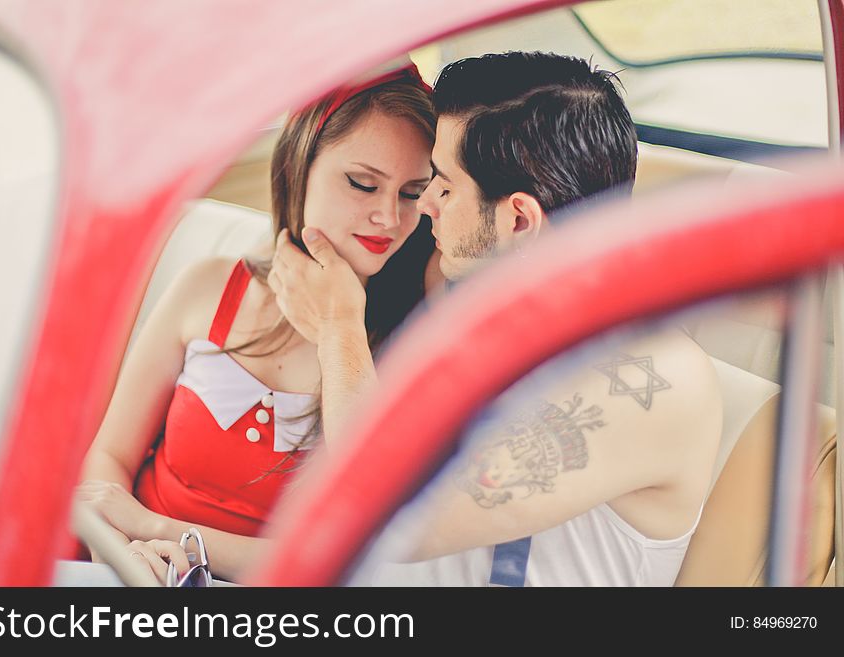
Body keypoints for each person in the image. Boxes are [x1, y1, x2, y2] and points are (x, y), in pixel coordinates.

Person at [268, 51, 723, 586]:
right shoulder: (482, 294)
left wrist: (338, 327)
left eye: (442, 184)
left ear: (519, 220)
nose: (426, 204)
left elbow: (376, 514)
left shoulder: (658, 380)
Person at [75, 61, 437, 583]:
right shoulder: (208, 287)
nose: (389, 217)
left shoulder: (410, 342)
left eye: (411, 194)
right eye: (362, 184)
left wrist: (157, 529)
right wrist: (126, 550)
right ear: (297, 168)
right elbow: (109, 455)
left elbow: (344, 552)